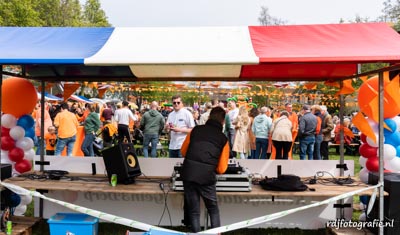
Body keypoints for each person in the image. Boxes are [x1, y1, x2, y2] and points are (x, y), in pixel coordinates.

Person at [180, 106, 230, 233]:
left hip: (189, 174)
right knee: (213, 209)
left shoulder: (195, 130)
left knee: (194, 211)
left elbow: (183, 151)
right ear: (223, 121)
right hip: (206, 178)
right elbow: (222, 168)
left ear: (209, 117)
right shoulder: (223, 139)